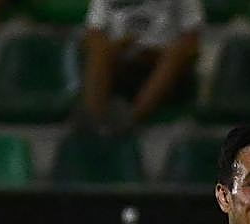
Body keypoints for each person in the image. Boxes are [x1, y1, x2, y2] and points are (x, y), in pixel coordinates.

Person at [81, 0, 202, 131]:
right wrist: (117, 48)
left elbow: (191, 41)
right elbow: (94, 33)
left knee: (176, 53)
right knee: (98, 49)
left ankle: (131, 119)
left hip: (165, 67)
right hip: (121, 63)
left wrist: (154, 53)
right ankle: (93, 121)